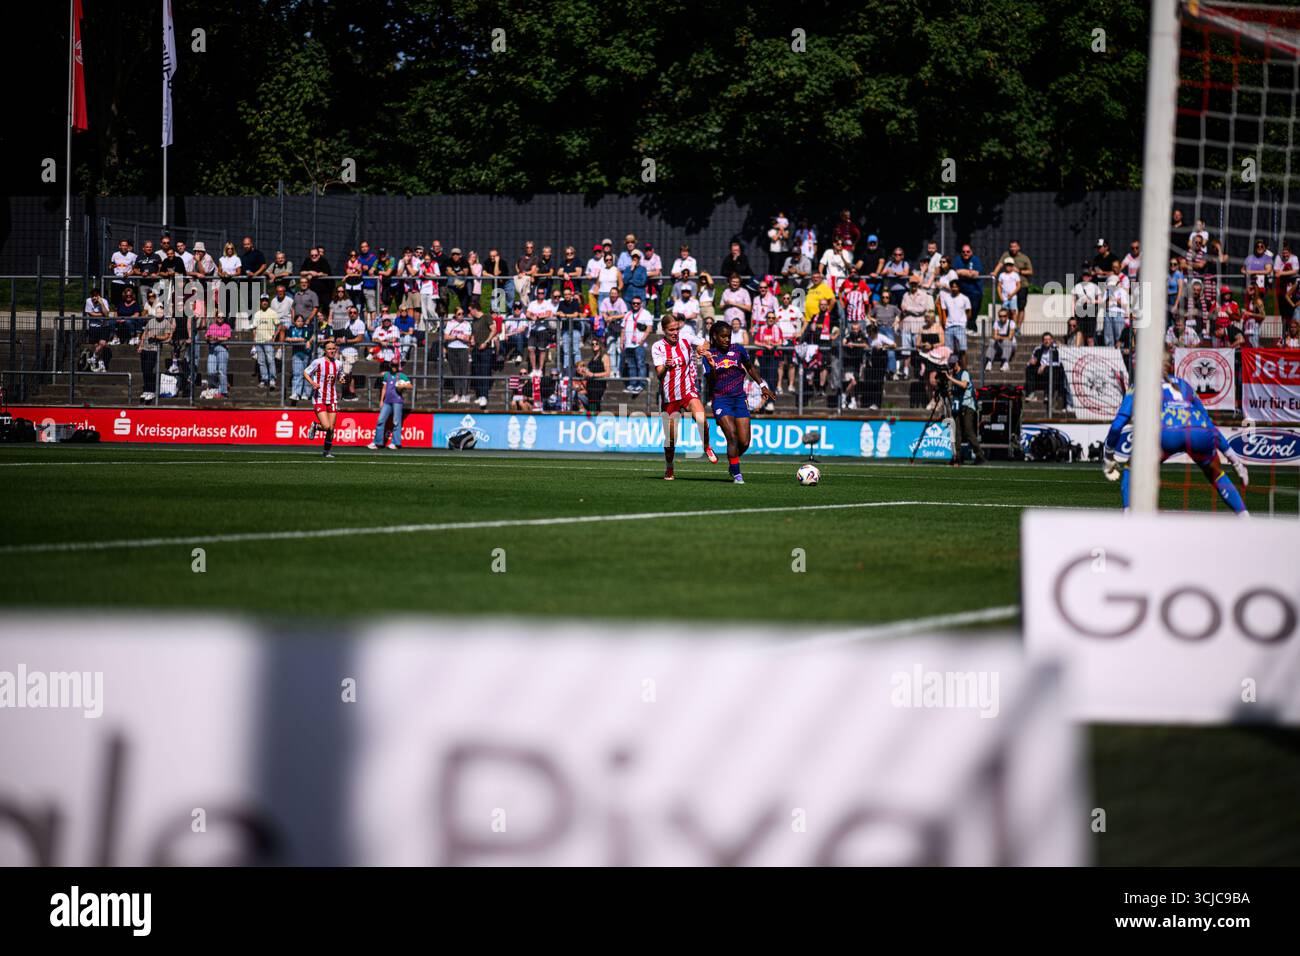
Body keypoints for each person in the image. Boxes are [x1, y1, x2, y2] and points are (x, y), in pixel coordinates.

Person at [1103, 354, 1249, 514]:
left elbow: (1118, 425)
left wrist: (1108, 455)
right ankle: (1244, 517)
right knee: (1215, 472)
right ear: (1170, 366)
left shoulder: (1141, 385)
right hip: (1199, 433)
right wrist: (1235, 461)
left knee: (1131, 468)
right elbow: (1208, 424)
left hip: (1167, 433)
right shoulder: (1184, 385)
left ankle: (1128, 518)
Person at [702, 320, 776, 484]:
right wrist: (713, 367)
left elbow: (750, 368)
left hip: (739, 400)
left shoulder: (738, 350)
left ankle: (732, 460)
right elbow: (711, 383)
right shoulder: (709, 355)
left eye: (728, 336)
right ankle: (737, 475)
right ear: (715, 336)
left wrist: (762, 385)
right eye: (723, 337)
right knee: (732, 437)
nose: (727, 339)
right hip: (721, 400)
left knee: (744, 442)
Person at [651, 315, 718, 480]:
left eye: (676, 329)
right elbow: (659, 375)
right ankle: (669, 467)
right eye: (671, 330)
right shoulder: (658, 347)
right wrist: (665, 367)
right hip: (670, 396)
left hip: (688, 390)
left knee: (702, 420)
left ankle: (707, 446)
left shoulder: (686, 338)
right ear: (664, 330)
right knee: (671, 438)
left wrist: (702, 349)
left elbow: (705, 342)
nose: (675, 332)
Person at [942, 354, 985, 466]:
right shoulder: (954, 375)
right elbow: (955, 390)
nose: (952, 366)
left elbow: (964, 385)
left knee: (968, 431)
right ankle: (957, 457)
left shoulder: (964, 373)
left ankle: (980, 455)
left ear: (957, 363)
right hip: (958, 406)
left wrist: (950, 378)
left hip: (967, 406)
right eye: (950, 364)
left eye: (953, 364)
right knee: (957, 433)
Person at [304, 340, 344, 458]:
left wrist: (341, 379)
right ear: (325, 351)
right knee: (326, 426)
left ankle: (327, 452)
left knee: (331, 429)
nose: (332, 351)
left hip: (332, 398)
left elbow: (340, 374)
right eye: (329, 349)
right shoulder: (318, 362)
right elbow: (306, 372)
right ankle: (315, 426)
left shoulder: (338, 363)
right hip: (320, 398)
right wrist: (312, 383)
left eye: (333, 348)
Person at [368, 362, 412, 450]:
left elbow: (410, 385)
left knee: (396, 422)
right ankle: (377, 442)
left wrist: (402, 385)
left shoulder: (401, 375)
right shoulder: (386, 375)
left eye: (396, 365)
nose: (394, 367)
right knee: (380, 420)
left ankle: (396, 443)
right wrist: (381, 400)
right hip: (387, 401)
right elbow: (384, 388)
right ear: (390, 365)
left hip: (397, 401)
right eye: (393, 365)